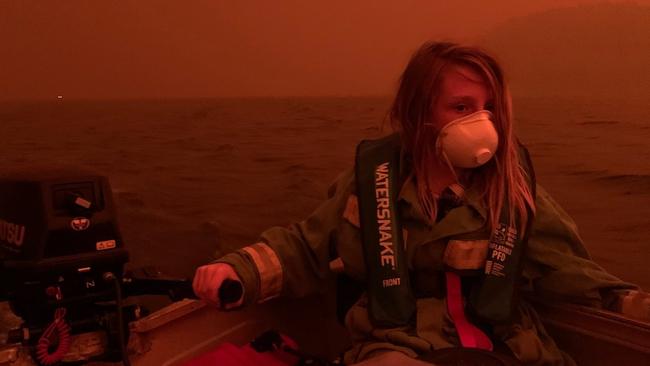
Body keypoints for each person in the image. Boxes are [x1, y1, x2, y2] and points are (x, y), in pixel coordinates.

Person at [193, 42, 649, 365]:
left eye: (489, 107)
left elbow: (570, 271)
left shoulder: (513, 190)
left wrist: (629, 303)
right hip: (399, 345)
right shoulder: (371, 184)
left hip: (507, 346)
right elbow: (305, 247)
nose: (482, 121)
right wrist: (240, 270)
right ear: (419, 113)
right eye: (462, 107)